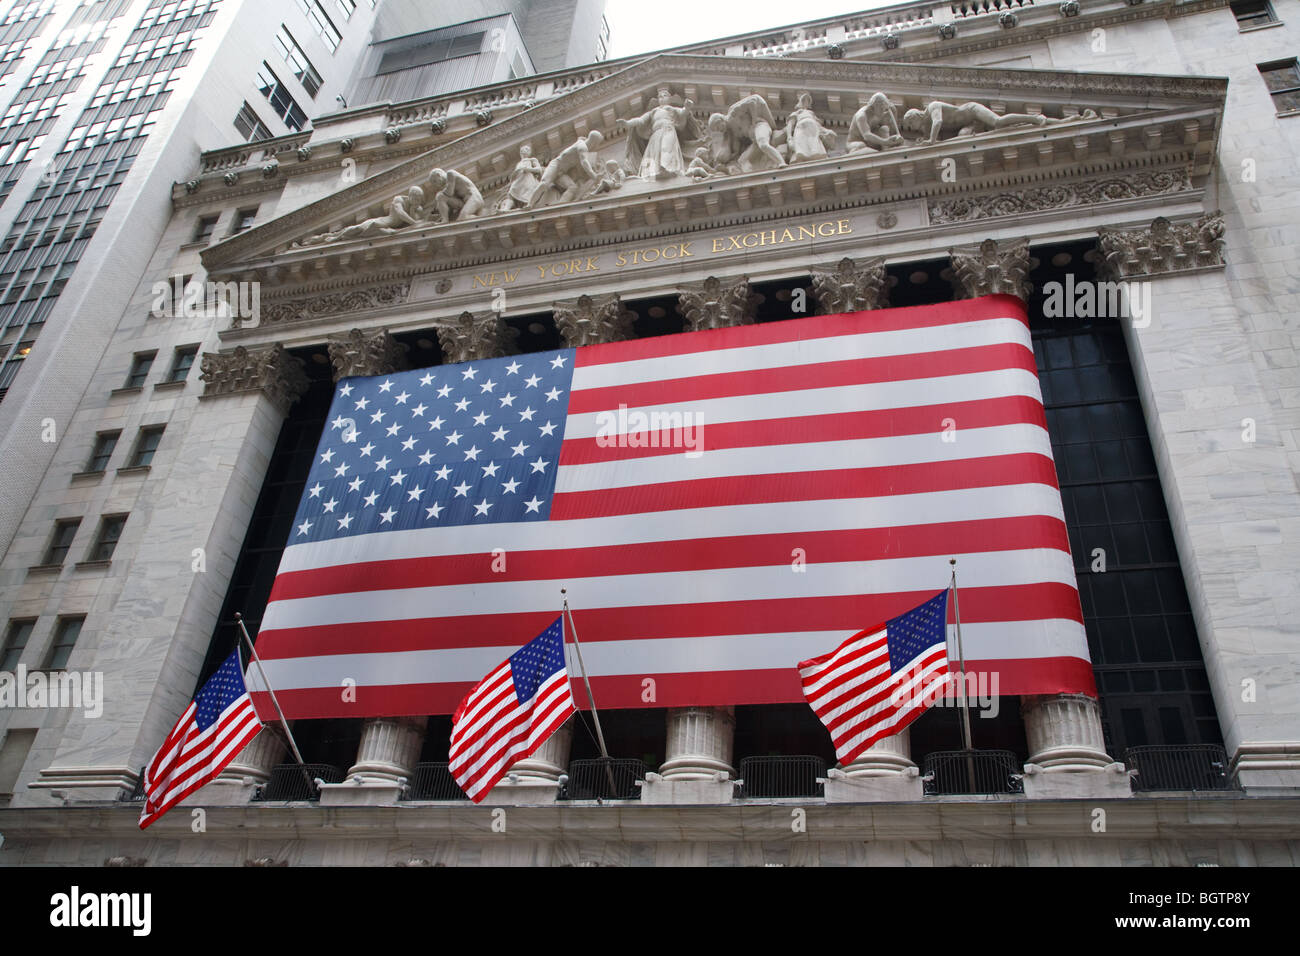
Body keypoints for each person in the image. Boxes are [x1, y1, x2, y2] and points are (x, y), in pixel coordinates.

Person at [902, 100, 1096, 144]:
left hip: (972, 112)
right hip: (969, 126)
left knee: (998, 122)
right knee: (962, 137)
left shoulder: (933, 107)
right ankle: (1066, 121)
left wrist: (931, 141)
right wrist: (925, 141)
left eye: (912, 126)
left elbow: (937, 124)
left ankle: (1035, 119)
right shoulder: (925, 125)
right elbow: (927, 138)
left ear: (915, 116)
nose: (915, 130)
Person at [297, 186, 425, 245]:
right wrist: (414, 222)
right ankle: (333, 239)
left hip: (386, 228)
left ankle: (334, 237)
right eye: (417, 198)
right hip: (380, 222)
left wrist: (415, 211)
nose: (418, 201)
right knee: (354, 230)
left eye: (420, 199)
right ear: (411, 195)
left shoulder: (415, 207)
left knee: (354, 231)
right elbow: (401, 214)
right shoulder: (399, 200)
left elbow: (420, 221)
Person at [618, 87, 701, 179]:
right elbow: (640, 120)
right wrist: (627, 123)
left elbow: (682, 113)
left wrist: (687, 107)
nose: (662, 98)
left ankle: (667, 168)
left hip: (668, 130)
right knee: (655, 151)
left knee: (666, 147)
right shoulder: (653, 111)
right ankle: (655, 170)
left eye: (665, 95)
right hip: (656, 133)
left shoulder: (671, 109)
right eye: (660, 96)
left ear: (669, 98)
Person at [527, 130, 606, 207]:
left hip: (562, 173)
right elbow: (584, 162)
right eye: (597, 143)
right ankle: (530, 204)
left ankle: (559, 207)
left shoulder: (582, 144)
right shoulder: (582, 147)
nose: (596, 146)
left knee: (573, 188)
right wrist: (594, 175)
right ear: (594, 142)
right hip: (555, 166)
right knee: (544, 184)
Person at [784, 91, 837, 163]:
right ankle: (801, 158)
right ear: (801, 102)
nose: (806, 102)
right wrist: (789, 137)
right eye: (804, 100)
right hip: (801, 129)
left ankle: (815, 156)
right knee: (801, 145)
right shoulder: (797, 113)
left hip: (813, 131)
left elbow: (819, 126)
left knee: (814, 146)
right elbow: (790, 125)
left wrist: (827, 131)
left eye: (808, 101)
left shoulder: (811, 114)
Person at [497, 144, 543, 211]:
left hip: (527, 179)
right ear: (520, 152)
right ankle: (506, 209)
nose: (525, 151)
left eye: (527, 149)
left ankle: (527, 207)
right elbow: (515, 174)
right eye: (524, 149)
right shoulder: (519, 162)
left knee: (526, 195)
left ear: (530, 152)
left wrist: (527, 169)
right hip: (518, 180)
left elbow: (539, 169)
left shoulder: (532, 160)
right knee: (511, 193)